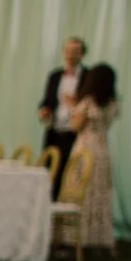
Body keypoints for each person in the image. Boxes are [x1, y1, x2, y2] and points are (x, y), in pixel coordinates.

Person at [73, 62, 118, 253]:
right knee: (100, 193)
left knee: (80, 191)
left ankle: (79, 237)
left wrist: (72, 108)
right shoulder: (112, 104)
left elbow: (76, 126)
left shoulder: (88, 102)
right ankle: (100, 238)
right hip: (103, 148)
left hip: (85, 147)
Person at [40, 35, 86, 191]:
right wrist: (44, 111)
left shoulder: (88, 76)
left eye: (75, 51)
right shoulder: (55, 75)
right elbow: (47, 100)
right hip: (54, 131)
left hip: (74, 132)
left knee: (71, 172)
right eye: (68, 51)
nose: (71, 55)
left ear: (82, 54)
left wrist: (75, 105)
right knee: (50, 171)